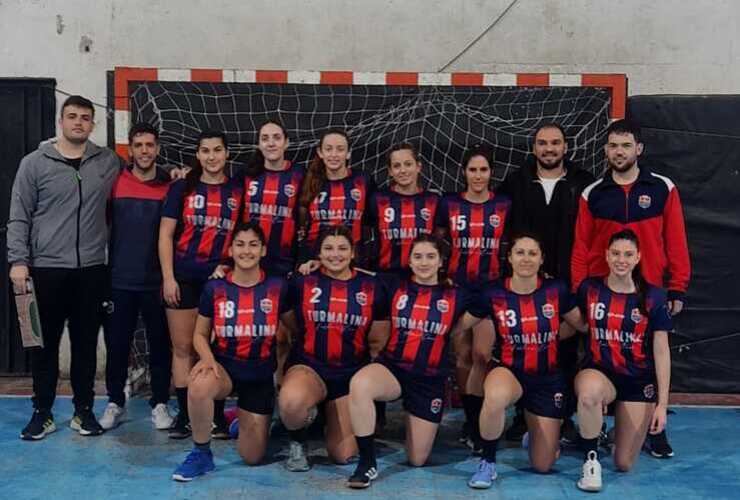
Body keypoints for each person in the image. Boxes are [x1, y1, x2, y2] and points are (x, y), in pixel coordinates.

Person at [571, 119, 689, 457]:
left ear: (638, 149)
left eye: (625, 145)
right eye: (613, 145)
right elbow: (581, 247)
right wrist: (581, 290)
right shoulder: (592, 193)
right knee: (596, 358)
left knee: (651, 358)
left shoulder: (663, 188)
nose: (619, 151)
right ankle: (592, 428)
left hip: (649, 292)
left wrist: (677, 287)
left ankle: (656, 428)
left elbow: (676, 241)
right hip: (602, 295)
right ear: (606, 150)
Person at [8, 95, 122, 439]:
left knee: (86, 343)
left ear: (92, 124)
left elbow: (140, 178)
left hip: (91, 270)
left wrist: (172, 175)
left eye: (85, 118)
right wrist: (18, 260)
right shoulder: (34, 163)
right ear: (61, 121)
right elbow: (19, 215)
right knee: (44, 344)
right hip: (45, 270)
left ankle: (83, 411)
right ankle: (42, 412)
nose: (78, 122)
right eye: (72, 116)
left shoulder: (107, 162)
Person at [346, 234, 486, 488]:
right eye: (418, 256)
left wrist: (458, 327)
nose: (424, 263)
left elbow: (490, 299)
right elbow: (351, 271)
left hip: (429, 380)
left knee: (417, 459)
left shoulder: (456, 294)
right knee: (360, 384)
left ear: (441, 261)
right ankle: (367, 463)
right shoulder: (393, 285)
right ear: (409, 261)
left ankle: (416, 416)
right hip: (394, 371)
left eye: (430, 257)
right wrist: (313, 264)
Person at [172, 222, 291, 481]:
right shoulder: (215, 288)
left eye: (253, 244)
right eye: (240, 244)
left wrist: (282, 370)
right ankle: (202, 453)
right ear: (230, 249)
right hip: (225, 369)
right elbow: (200, 335)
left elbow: (292, 332)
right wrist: (207, 358)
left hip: (259, 377)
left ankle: (243, 420)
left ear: (262, 251)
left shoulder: (277, 287)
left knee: (252, 457)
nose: (246, 251)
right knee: (200, 384)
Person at [499, 123, 594, 443]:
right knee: (523, 346)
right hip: (526, 282)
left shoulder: (584, 182)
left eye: (555, 143)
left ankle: (562, 415)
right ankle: (521, 416)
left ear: (566, 147)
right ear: (533, 147)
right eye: (542, 143)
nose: (549, 149)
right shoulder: (515, 182)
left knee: (564, 348)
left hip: (568, 282)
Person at [467, 232, 583, 489]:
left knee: (543, 465)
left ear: (542, 259)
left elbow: (580, 325)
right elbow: (458, 324)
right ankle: (488, 461)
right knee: (495, 396)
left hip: (547, 379)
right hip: (510, 371)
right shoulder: (493, 293)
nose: (526, 259)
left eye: (532, 253)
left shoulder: (556, 290)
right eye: (520, 252)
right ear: (509, 257)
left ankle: (537, 437)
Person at [279, 226, 388, 472]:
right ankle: (298, 441)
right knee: (291, 402)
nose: (335, 255)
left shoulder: (371, 286)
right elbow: (291, 324)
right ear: (318, 253)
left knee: (342, 455)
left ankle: (328, 416)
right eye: (328, 248)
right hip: (310, 367)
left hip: (349, 375)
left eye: (342, 248)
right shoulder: (302, 281)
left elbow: (377, 342)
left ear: (352, 254)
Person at [159, 130, 243, 439]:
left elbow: (243, 237)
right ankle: (184, 416)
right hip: (182, 277)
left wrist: (230, 265)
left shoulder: (237, 191)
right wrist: (168, 277)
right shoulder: (182, 187)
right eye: (205, 150)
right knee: (183, 348)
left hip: (219, 280)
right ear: (198, 155)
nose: (211, 156)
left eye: (217, 150)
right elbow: (165, 234)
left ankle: (217, 416)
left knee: (216, 349)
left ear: (227, 154)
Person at [574, 229, 672, 492]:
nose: (621, 260)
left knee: (624, 463)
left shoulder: (654, 297)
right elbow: (574, 325)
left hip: (637, 380)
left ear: (639, 257)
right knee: (588, 395)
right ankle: (590, 461)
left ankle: (608, 432)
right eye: (616, 253)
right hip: (600, 371)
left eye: (628, 254)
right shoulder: (590, 289)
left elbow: (662, 352)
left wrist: (662, 404)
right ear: (606, 255)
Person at [435, 146, 511, 452]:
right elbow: (438, 240)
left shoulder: (504, 204)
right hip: (457, 288)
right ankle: (470, 422)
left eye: (483, 170)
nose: (478, 176)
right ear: (463, 172)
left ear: (491, 173)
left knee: (482, 355)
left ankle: (482, 419)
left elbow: (513, 243)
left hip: (490, 290)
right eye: (472, 170)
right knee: (462, 356)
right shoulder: (449, 203)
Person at [99, 123, 174, 430]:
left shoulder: (171, 184)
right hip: (119, 281)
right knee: (117, 345)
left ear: (157, 149)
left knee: (160, 345)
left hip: (157, 282)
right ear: (129, 149)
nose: (145, 150)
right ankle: (115, 402)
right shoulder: (115, 184)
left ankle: (159, 403)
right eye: (139, 145)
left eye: (150, 145)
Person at [297, 129, 374, 269]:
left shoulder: (363, 180)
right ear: (320, 152)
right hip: (314, 262)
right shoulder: (308, 182)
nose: (334, 154)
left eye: (340, 149)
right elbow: (302, 226)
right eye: (328, 149)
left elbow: (371, 222)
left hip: (354, 263)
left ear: (348, 153)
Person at [242, 119, 304, 276]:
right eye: (265, 138)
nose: (271, 143)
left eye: (276, 138)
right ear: (258, 144)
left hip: (284, 261)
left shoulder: (299, 175)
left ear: (286, 142)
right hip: (248, 259)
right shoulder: (246, 174)